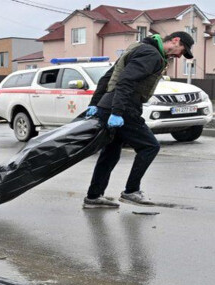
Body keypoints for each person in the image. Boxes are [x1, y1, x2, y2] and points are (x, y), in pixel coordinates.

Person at [83, 31, 195, 209]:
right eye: (182, 50)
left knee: (110, 153)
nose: (180, 55)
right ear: (175, 40)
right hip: (124, 107)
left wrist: (96, 103)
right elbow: (126, 81)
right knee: (150, 146)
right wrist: (118, 112)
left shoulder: (138, 48)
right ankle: (131, 191)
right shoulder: (152, 55)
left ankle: (94, 196)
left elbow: (108, 77)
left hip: (110, 105)